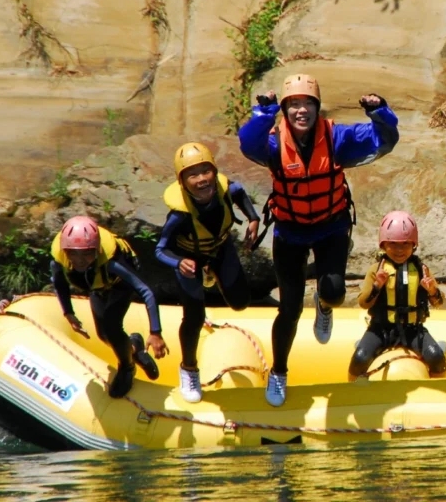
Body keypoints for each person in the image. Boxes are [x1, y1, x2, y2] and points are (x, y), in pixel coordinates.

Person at [238, 73, 399, 407]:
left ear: (316, 107)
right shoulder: (271, 141)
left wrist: (380, 112)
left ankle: (324, 305)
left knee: (335, 291)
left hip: (330, 227)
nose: (301, 111)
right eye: (293, 104)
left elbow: (383, 141)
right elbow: (247, 144)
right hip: (290, 231)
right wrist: (264, 113)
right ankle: (279, 372)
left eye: (307, 104)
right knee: (290, 308)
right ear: (285, 109)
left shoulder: (335, 137)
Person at [155, 142, 260, 404]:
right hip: (188, 260)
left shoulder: (226, 189)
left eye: (206, 171)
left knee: (240, 302)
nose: (202, 180)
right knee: (194, 317)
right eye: (193, 175)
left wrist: (253, 218)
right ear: (182, 182)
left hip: (220, 249)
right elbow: (160, 250)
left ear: (215, 171)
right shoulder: (178, 217)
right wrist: (179, 263)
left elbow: (240, 194)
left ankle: (212, 272)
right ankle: (188, 368)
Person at [50, 216, 168, 398]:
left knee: (112, 327)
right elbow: (60, 284)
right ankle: (135, 348)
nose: (80, 260)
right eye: (73, 253)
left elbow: (146, 291)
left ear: (97, 250)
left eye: (87, 253)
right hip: (98, 288)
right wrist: (68, 313)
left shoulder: (113, 263)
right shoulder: (59, 261)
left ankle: (127, 368)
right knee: (103, 335)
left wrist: (155, 332)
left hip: (120, 286)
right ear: (65, 251)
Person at [349, 211, 446, 381]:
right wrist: (377, 286)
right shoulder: (376, 270)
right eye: (393, 244)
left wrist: (431, 290)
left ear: (413, 245)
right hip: (381, 329)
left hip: (413, 330)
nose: (399, 250)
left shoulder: (420, 269)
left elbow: (439, 302)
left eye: (405, 244)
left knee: (437, 358)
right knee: (359, 359)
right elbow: (363, 303)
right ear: (383, 245)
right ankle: (356, 387)